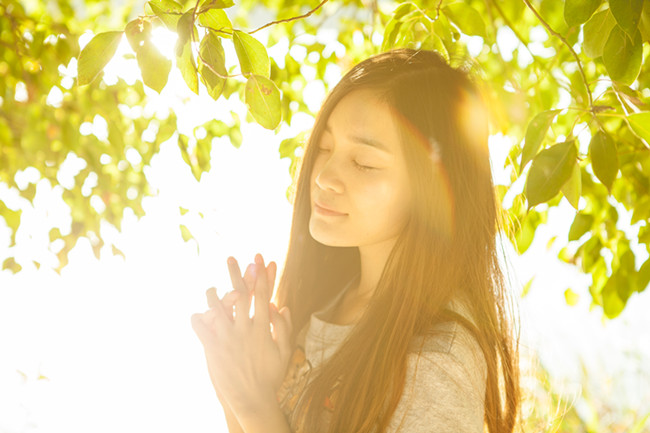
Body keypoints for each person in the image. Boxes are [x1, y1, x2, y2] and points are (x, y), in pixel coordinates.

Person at [191, 47, 521, 433]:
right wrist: (234, 376)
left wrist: (253, 405)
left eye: (363, 163)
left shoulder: (437, 359)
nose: (323, 176)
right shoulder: (328, 304)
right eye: (325, 148)